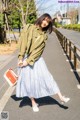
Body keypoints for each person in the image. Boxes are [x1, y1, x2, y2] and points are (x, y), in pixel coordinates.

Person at [16, 13, 70, 112]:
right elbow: (23, 43)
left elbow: (38, 51)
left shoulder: (44, 35)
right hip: (26, 58)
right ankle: (33, 103)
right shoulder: (29, 27)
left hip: (37, 59)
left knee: (47, 78)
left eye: (48, 22)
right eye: (44, 20)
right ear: (41, 19)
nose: (45, 23)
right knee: (29, 83)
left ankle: (61, 97)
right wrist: (21, 58)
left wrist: (27, 62)